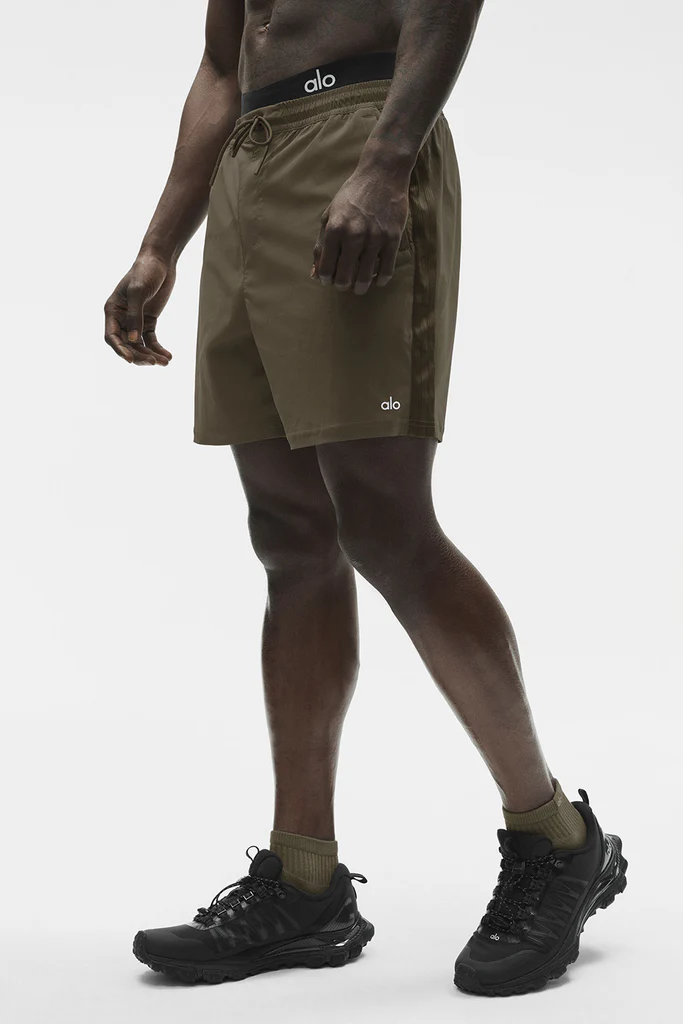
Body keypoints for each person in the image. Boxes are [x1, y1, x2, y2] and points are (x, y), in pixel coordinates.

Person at [105, 0, 627, 997]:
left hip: (359, 137)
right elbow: (221, 60)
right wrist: (161, 241)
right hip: (251, 156)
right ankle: (304, 878)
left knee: (386, 525)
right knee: (289, 535)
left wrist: (388, 159)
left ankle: (554, 837)